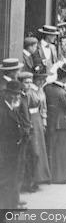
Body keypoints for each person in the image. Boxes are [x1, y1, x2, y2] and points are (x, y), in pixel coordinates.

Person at [45, 62, 66, 184]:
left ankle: (51, 175)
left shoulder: (47, 87)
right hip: (62, 122)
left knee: (52, 147)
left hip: (50, 120)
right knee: (63, 150)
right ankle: (61, 175)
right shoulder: (63, 92)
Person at [0, 80, 26, 209]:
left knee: (12, 180)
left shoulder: (12, 109)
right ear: (10, 96)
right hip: (6, 153)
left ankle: (12, 206)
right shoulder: (3, 112)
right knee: (6, 181)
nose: (19, 97)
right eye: (18, 95)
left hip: (13, 151)